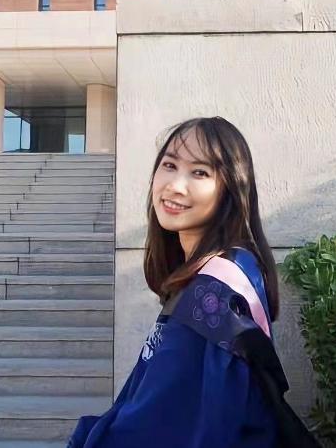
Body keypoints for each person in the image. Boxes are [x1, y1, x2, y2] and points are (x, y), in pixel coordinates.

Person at [68, 116, 320, 448]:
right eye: (170, 165)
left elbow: (156, 426)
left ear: (231, 188)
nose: (175, 185)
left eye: (199, 172)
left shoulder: (213, 293)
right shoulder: (230, 266)